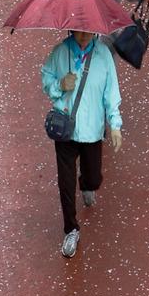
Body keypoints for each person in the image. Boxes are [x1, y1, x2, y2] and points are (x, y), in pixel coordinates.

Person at [41, 29, 123, 259]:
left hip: (92, 131)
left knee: (94, 178)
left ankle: (87, 184)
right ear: (71, 29)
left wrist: (115, 124)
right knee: (65, 183)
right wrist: (60, 85)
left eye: (89, 32)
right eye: (80, 31)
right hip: (65, 130)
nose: (84, 36)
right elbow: (46, 78)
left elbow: (111, 91)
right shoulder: (60, 52)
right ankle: (71, 229)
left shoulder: (103, 55)